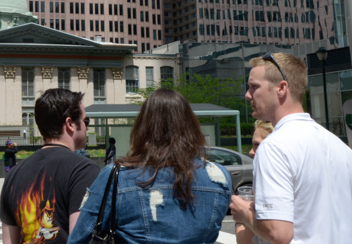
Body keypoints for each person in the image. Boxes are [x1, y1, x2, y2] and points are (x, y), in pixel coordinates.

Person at [68, 88, 231, 244]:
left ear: (142, 127)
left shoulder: (117, 176)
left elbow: (80, 237)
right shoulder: (219, 178)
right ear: (191, 127)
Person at [230, 52, 352, 244]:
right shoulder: (339, 146)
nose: (247, 95)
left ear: (281, 88)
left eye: (254, 87)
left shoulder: (273, 147)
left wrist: (244, 213)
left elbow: (279, 233)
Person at [0, 88, 100, 244]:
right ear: (70, 123)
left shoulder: (14, 174)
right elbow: (81, 238)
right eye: (86, 121)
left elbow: (8, 240)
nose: (87, 127)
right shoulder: (84, 170)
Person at [235, 120, 274, 244]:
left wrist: (240, 221)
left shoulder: (265, 179)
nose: (251, 152)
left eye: (257, 145)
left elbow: (246, 242)